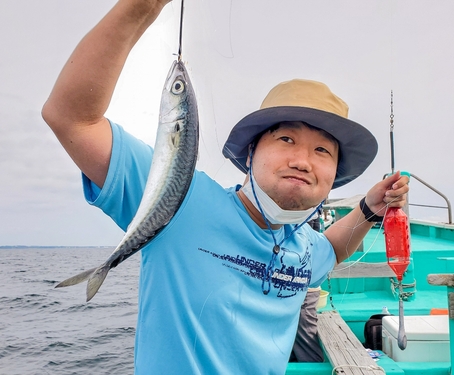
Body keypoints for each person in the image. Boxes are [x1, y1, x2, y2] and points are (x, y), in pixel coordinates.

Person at [41, 1, 409, 374]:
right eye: (285, 140)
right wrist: (141, 8)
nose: (303, 160)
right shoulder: (181, 196)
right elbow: (72, 119)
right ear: (250, 153)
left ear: (334, 174)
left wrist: (368, 209)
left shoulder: (302, 247)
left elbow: (331, 249)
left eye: (321, 151)